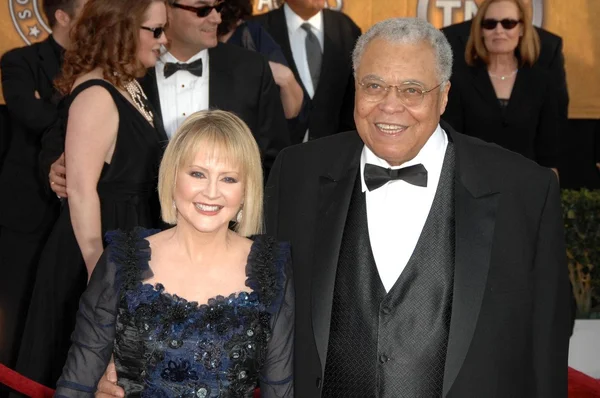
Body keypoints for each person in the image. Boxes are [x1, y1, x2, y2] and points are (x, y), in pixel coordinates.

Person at [97, 17, 571, 398]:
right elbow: (233, 281)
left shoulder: (523, 191)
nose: (390, 106)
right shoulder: (298, 172)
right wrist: (137, 361)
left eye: (412, 89)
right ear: (355, 90)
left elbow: (546, 346)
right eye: (374, 86)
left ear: (444, 95)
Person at [55, 110, 294, 397]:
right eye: (197, 174)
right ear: (172, 176)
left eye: (229, 179)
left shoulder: (271, 269)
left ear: (247, 190)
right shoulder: (123, 259)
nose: (212, 192)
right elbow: (76, 383)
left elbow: (281, 389)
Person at [12, 0, 168, 389]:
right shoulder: (96, 93)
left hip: (131, 237)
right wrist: (102, 274)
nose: (164, 41)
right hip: (98, 248)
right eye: (155, 31)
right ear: (122, 30)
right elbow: (81, 192)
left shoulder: (129, 84)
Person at [45, 0, 290, 198]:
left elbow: (275, 160)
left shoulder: (251, 69)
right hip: (136, 234)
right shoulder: (119, 72)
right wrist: (59, 171)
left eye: (218, 7)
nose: (216, 18)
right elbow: (57, 143)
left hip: (227, 235)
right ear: (165, 10)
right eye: (202, 9)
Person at [0, 0, 86, 373]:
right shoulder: (20, 60)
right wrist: (84, 115)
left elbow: (42, 113)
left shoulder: (98, 65)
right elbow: (29, 115)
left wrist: (56, 106)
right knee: (15, 313)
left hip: (77, 209)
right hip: (26, 211)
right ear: (62, 16)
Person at [442, 0, 560, 174]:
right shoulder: (460, 80)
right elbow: (451, 143)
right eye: (490, 24)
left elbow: (549, 150)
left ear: (521, 29)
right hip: (473, 185)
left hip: (526, 186)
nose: (499, 31)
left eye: (508, 23)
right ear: (480, 31)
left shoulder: (542, 81)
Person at [252, 0, 361, 142]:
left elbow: (352, 103)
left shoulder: (346, 28)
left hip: (332, 154)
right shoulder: (255, 31)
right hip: (274, 156)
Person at [218, 0, 307, 140]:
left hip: (250, 144)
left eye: (213, 7)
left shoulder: (251, 34)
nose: (212, 16)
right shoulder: (189, 43)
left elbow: (286, 82)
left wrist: (260, 69)